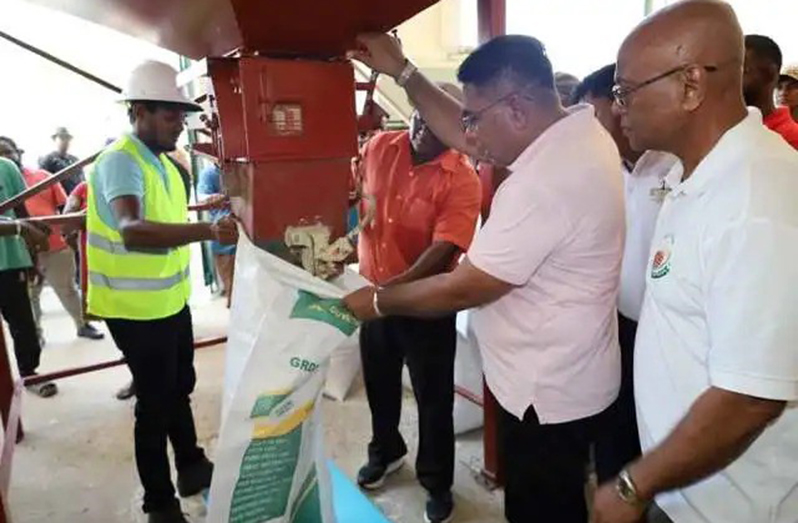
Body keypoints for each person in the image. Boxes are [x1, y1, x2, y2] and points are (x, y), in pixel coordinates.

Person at [345, 33, 625, 522]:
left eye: (475, 118)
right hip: (565, 376)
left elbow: (465, 284)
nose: (469, 136)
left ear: (516, 109)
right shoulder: (577, 130)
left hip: (545, 397)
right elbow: (464, 131)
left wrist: (377, 303)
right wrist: (404, 72)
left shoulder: (545, 183)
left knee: (542, 508)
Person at [592, 2, 798, 523]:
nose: (618, 108)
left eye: (626, 92)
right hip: (687, 488)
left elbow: (749, 396)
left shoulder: (755, 200)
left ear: (690, 86)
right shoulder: (694, 174)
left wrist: (633, 485)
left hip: (732, 505)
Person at [87, 60, 237, 523]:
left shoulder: (167, 166)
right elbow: (132, 230)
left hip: (169, 301)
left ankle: (190, 465)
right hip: (134, 309)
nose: (179, 124)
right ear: (139, 111)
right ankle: (159, 503)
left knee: (179, 389)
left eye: (181, 116)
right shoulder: (120, 161)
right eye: (170, 115)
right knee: (154, 405)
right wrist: (209, 233)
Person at [354, 102, 480, 523]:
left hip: (427, 303)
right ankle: (385, 452)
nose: (423, 127)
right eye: (418, 116)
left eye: (434, 121)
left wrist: (394, 289)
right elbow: (353, 195)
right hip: (375, 294)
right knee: (380, 383)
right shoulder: (378, 148)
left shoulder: (461, 178)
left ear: (454, 128)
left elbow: (445, 247)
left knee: (433, 397)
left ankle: (436, 480)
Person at [572, 64, 681, 482]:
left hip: (667, 331)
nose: (586, 129)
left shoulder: (673, 164)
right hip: (612, 326)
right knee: (614, 431)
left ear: (621, 107)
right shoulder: (596, 171)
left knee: (662, 431)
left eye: (592, 116)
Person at [0, 137, 104, 343]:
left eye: (9, 151)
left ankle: (82, 324)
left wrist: (66, 234)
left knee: (67, 288)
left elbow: (63, 207)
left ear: (18, 152)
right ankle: (36, 337)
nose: (7, 156)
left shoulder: (42, 176)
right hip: (20, 249)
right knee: (31, 296)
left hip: (54, 244)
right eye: (2, 152)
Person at [0, 155, 58, 397]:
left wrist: (32, 256)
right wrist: (19, 228)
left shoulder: (6, 167)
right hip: (13, 243)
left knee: (23, 323)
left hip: (10, 259)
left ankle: (29, 373)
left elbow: (22, 211)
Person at [743, 35, 798, 149]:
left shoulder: (790, 137)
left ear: (770, 74)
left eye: (743, 71)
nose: (783, 92)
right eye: (780, 86)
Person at [196, 163, 235, 300]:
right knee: (232, 288)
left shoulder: (239, 170)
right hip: (223, 234)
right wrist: (215, 197)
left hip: (243, 233)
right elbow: (200, 197)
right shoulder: (209, 173)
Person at [39, 127, 84, 194]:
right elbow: (42, 186)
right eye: (62, 138)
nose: (65, 141)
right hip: (60, 201)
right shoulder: (48, 160)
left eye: (67, 139)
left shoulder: (75, 160)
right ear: (55, 140)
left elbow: (82, 181)